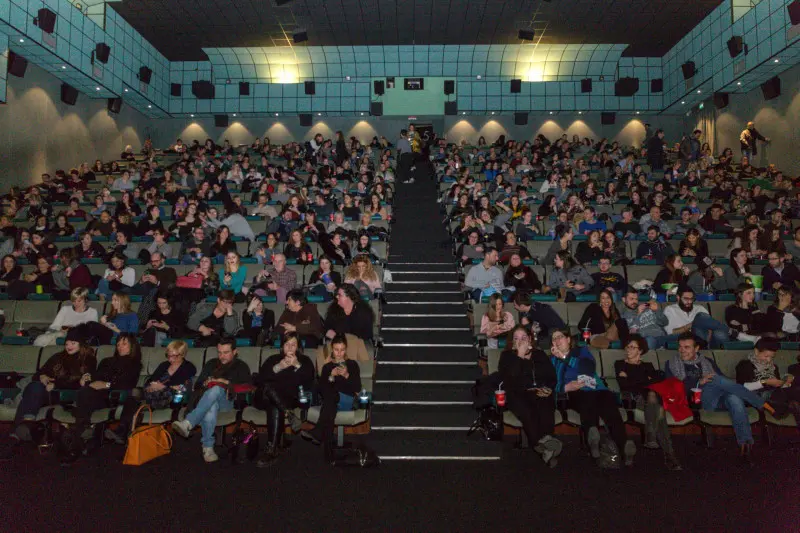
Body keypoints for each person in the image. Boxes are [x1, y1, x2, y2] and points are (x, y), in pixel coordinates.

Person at [665, 333, 778, 465]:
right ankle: (761, 403)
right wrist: (699, 382)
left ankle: (745, 446)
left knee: (734, 397)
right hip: (697, 400)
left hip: (718, 398)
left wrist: (713, 381)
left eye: (687, 347)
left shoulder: (708, 362)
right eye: (680, 347)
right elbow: (672, 388)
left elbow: (724, 381)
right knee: (715, 379)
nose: (682, 350)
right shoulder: (671, 364)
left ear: (696, 349)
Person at [550, 329, 635, 468]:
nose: (557, 341)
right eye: (554, 339)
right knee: (586, 399)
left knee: (610, 409)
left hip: (597, 389)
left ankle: (623, 446)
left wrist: (565, 358)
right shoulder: (552, 360)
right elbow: (551, 383)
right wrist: (565, 387)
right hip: (574, 393)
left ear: (569, 340)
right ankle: (593, 437)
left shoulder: (581, 351)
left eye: (560, 337)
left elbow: (587, 368)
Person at [58, 334, 142, 464]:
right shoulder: (106, 361)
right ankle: (79, 434)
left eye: (124, 344)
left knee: (85, 396)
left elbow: (127, 384)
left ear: (132, 347)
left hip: (115, 397)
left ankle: (78, 433)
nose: (120, 347)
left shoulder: (135, 364)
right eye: (118, 344)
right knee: (85, 391)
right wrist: (87, 378)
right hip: (97, 395)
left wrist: (107, 385)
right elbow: (96, 377)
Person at [172, 338, 253, 463]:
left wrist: (223, 382)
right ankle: (208, 448)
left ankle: (188, 423)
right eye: (219, 352)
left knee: (216, 389)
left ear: (235, 351)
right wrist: (206, 383)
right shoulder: (211, 363)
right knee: (212, 405)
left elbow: (246, 387)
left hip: (228, 401)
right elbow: (198, 385)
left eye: (226, 352)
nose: (222, 356)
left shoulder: (241, 366)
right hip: (208, 401)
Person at [8, 330, 96, 444]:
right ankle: (28, 423)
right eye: (67, 343)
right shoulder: (58, 357)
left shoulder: (88, 360)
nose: (69, 346)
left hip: (70, 395)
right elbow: (38, 374)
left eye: (73, 343)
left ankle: (19, 430)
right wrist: (42, 376)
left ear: (81, 344)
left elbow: (82, 383)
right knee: (34, 386)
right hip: (49, 393)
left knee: (31, 394)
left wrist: (56, 385)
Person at [105, 339, 195, 444]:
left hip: (168, 397)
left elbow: (179, 383)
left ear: (182, 355)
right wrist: (151, 386)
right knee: (134, 394)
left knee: (134, 397)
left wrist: (162, 386)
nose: (170, 359)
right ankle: (125, 433)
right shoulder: (164, 365)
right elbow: (151, 380)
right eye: (168, 355)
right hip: (152, 393)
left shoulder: (188, 367)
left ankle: (123, 432)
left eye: (173, 356)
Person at [614, 334, 681, 471]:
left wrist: (633, 379)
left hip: (652, 399)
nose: (629, 350)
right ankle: (669, 456)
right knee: (659, 411)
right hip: (634, 398)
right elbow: (624, 386)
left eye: (633, 347)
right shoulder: (620, 364)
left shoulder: (648, 365)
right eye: (627, 347)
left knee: (654, 401)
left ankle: (652, 437)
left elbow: (656, 382)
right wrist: (645, 379)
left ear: (640, 351)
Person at [498, 326, 561, 466]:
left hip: (540, 391)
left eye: (523, 338)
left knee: (545, 406)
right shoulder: (507, 356)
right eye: (516, 338)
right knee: (528, 412)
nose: (520, 341)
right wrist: (519, 356)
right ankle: (545, 444)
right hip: (517, 394)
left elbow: (552, 376)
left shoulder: (539, 355)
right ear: (512, 342)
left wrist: (548, 388)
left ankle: (545, 446)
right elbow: (510, 379)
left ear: (530, 339)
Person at [255, 332, 315, 467]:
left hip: (289, 399)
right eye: (287, 344)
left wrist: (297, 365)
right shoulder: (273, 359)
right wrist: (279, 367)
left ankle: (272, 449)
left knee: (275, 405)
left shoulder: (304, 361)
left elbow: (309, 382)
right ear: (282, 346)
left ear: (298, 347)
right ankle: (288, 414)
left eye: (293, 345)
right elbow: (260, 380)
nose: (289, 348)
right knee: (268, 389)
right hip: (264, 397)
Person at [300, 334, 362, 460]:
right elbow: (322, 389)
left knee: (331, 399)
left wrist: (346, 375)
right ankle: (328, 455)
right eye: (336, 349)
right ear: (332, 349)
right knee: (329, 406)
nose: (339, 353)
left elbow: (357, 388)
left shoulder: (352, 364)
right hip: (331, 402)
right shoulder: (327, 367)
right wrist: (331, 377)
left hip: (346, 400)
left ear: (346, 349)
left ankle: (318, 431)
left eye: (342, 349)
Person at [736, 338, 799, 431]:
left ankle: (787, 406)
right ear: (756, 351)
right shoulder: (745, 365)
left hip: (775, 394)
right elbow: (742, 387)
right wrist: (764, 382)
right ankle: (786, 406)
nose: (769, 360)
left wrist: (785, 383)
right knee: (790, 398)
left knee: (793, 391)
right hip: (756, 396)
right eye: (766, 356)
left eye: (772, 357)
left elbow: (777, 385)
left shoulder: (774, 367)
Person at [663, 288, 730, 348]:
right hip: (684, 340)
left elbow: (710, 329)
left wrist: (707, 342)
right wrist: (689, 326)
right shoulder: (670, 309)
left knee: (721, 334)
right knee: (700, 318)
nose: (689, 302)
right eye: (686, 299)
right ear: (678, 297)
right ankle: (730, 331)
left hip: (705, 340)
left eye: (691, 299)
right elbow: (670, 332)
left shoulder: (699, 308)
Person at [34, 287, 99, 347]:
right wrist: (61, 329)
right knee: (40, 340)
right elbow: (54, 326)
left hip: (79, 338)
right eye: (74, 301)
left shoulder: (92, 312)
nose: (76, 303)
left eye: (79, 301)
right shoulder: (65, 309)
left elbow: (92, 331)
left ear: (85, 300)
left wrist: (74, 329)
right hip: (62, 334)